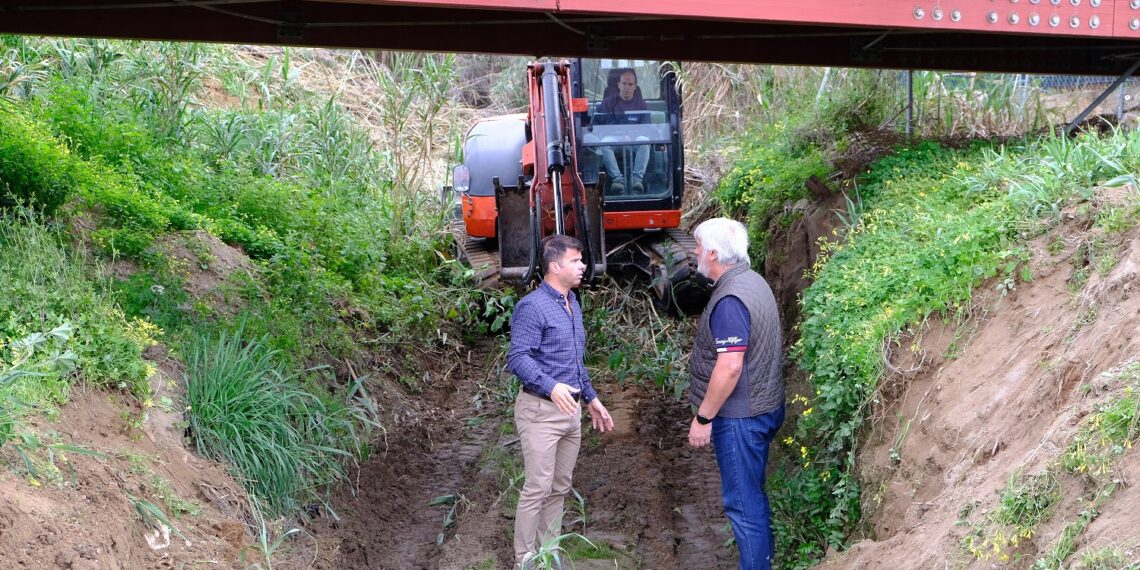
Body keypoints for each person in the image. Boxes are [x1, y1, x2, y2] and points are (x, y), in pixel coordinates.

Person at [507, 234, 615, 568]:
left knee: (559, 487)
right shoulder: (532, 306)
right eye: (576, 260)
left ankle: (548, 551)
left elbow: (574, 361)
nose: (583, 265)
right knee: (537, 487)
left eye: (582, 260)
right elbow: (518, 358)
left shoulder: (572, 303)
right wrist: (550, 386)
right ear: (555, 266)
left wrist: (592, 398)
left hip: (571, 413)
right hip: (540, 412)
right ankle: (525, 559)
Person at [686, 217, 784, 570]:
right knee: (751, 496)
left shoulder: (730, 300)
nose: (695, 252)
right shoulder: (753, 281)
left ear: (712, 253)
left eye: (697, 246)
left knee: (743, 504)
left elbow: (729, 366)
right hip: (765, 405)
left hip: (742, 416)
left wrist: (703, 418)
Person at [594, 68, 649, 194]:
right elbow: (601, 125)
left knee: (645, 142)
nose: (627, 87)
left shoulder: (641, 104)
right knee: (604, 143)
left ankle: (636, 180)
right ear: (619, 84)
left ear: (635, 87)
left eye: (630, 84)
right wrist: (621, 135)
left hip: (635, 140)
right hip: (614, 140)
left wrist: (631, 136)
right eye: (624, 83)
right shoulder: (607, 103)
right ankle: (618, 181)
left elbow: (646, 127)